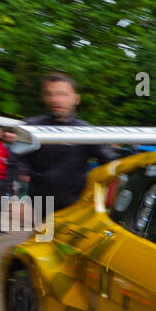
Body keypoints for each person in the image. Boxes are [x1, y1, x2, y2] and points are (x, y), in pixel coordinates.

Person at [19, 73, 117, 210]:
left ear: (76, 99)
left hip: (75, 205)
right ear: (43, 97)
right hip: (39, 205)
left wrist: (95, 187)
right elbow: (15, 159)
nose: (55, 99)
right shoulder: (32, 127)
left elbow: (110, 161)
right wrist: (22, 180)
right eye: (49, 94)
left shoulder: (87, 131)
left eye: (62, 94)